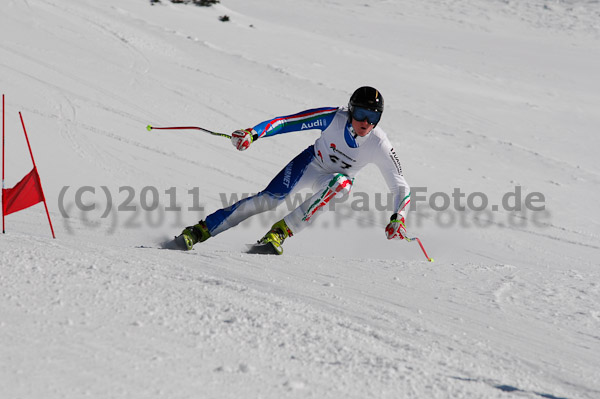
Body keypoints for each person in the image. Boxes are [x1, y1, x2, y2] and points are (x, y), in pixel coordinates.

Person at [174, 86, 411, 254]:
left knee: (341, 184)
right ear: (350, 111)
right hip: (310, 163)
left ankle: (279, 233)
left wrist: (398, 218)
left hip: (334, 180)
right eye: (361, 114)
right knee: (267, 201)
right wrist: (253, 133)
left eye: (373, 117)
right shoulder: (333, 118)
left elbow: (400, 185)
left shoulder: (379, 143)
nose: (366, 123)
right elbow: (288, 121)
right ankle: (199, 231)